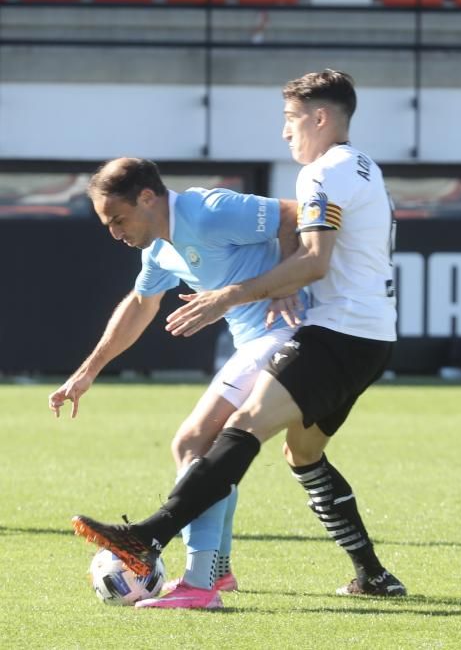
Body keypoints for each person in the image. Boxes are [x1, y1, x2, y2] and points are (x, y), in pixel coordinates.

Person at [72, 69, 407, 608]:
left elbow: (315, 259)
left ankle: (174, 556)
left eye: (290, 120)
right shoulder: (359, 165)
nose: (284, 133)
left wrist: (241, 291)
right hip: (360, 332)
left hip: (338, 331)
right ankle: (371, 573)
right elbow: (309, 256)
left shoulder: (318, 175)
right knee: (303, 455)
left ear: (320, 118)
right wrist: (284, 272)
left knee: (223, 432)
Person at [49, 156, 306, 610]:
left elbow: (294, 213)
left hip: (288, 333)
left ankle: (200, 583)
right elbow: (139, 305)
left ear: (147, 198)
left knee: (191, 443)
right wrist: (87, 371)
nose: (113, 231)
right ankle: (217, 571)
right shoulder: (159, 249)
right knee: (210, 452)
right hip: (258, 342)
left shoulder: (209, 211)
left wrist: (287, 281)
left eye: (118, 218)